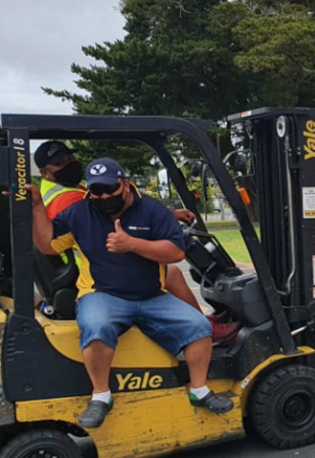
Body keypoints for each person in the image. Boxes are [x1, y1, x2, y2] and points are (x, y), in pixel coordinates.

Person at [27, 158, 233, 428]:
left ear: (123, 184)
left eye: (109, 189)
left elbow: (175, 251)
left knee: (198, 327)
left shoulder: (151, 210)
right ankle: (101, 396)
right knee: (96, 326)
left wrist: (132, 244)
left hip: (152, 296)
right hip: (102, 294)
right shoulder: (80, 212)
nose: (102, 196)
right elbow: (48, 245)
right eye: (96, 191)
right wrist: (38, 208)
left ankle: (199, 390)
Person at [33, 142, 238, 342]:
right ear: (45, 172)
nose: (70, 164)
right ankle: (203, 330)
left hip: (86, 261)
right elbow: (108, 221)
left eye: (70, 158)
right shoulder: (70, 199)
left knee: (165, 269)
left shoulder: (63, 189)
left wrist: (167, 215)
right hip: (90, 269)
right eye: (61, 163)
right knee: (171, 273)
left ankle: (199, 323)